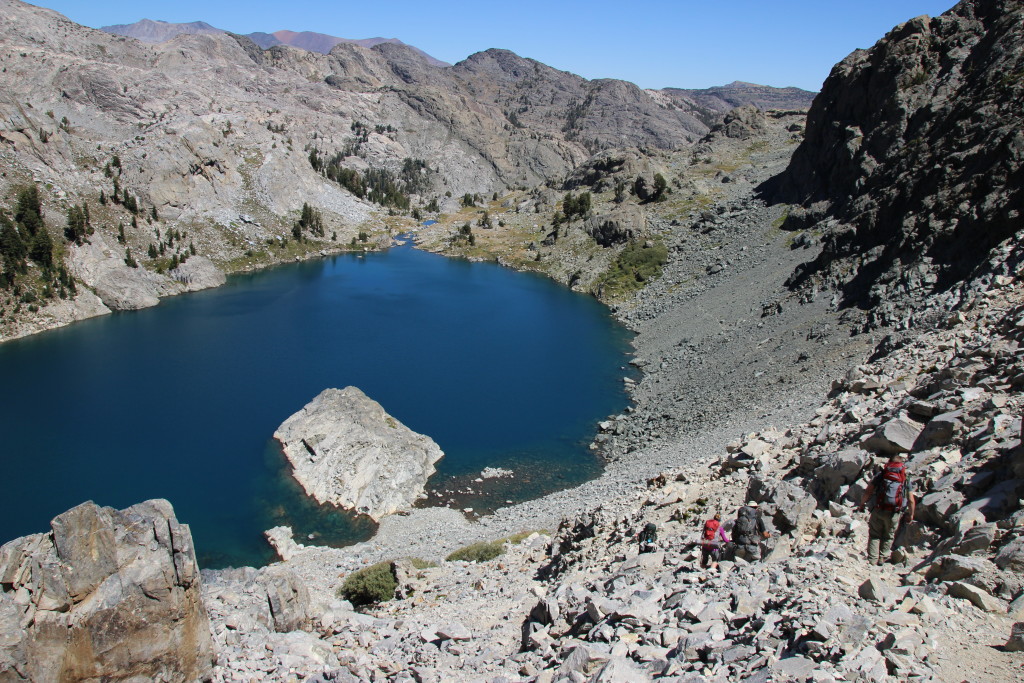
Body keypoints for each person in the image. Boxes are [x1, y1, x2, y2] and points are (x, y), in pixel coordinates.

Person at [859, 453, 916, 566]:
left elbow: (868, 491)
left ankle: (872, 559)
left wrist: (862, 504)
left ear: (890, 463)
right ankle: (882, 558)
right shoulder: (905, 477)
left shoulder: (883, 474)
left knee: (875, 534)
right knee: (888, 535)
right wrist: (911, 514)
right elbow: (911, 499)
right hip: (894, 512)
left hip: (879, 508)